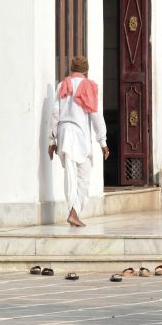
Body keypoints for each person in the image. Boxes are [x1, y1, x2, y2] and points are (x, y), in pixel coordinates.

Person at [48, 57, 109, 227]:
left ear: (71, 69)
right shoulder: (89, 86)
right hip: (79, 136)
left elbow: (54, 113)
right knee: (84, 176)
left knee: (70, 175)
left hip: (63, 134)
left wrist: (51, 141)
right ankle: (74, 212)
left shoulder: (62, 85)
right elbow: (96, 116)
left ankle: (72, 211)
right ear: (86, 71)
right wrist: (102, 142)